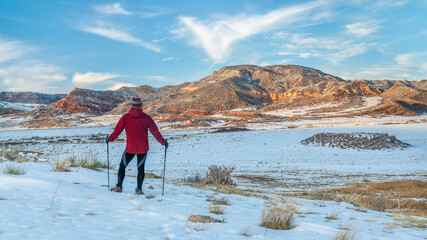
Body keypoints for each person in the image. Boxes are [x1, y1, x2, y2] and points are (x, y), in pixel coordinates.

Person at [105, 97, 168, 195]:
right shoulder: (147, 118)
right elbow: (155, 132)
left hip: (130, 148)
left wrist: (109, 139)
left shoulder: (125, 117)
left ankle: (118, 187)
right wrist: (163, 142)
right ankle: (138, 190)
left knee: (122, 166)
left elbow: (117, 131)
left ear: (132, 105)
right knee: (140, 168)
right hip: (142, 148)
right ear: (141, 105)